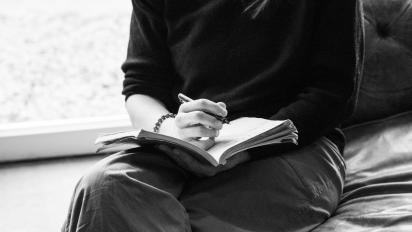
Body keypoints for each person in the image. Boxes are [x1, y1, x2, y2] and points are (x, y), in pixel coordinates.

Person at [62, 0, 364, 231]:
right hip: (182, 145)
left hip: (293, 145)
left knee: (210, 215)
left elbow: (333, 94)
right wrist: (171, 131)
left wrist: (246, 148)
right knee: (103, 189)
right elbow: (141, 85)